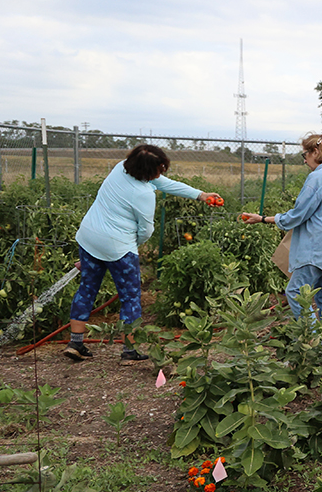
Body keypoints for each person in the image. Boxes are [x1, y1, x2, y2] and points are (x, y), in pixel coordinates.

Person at [64, 144, 222, 363]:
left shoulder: (120, 168)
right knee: (130, 298)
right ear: (149, 171)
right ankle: (129, 351)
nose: (163, 172)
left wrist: (200, 195)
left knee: (87, 288)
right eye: (160, 168)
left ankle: (75, 343)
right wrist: (129, 246)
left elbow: (161, 182)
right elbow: (146, 230)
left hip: (89, 237)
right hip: (118, 247)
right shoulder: (144, 194)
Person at [242, 133, 322, 322]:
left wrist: (263, 219)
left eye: (304, 155)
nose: (304, 161)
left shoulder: (317, 178)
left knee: (295, 293)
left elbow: (297, 215)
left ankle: (310, 339)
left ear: (315, 151)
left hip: (319, 249)